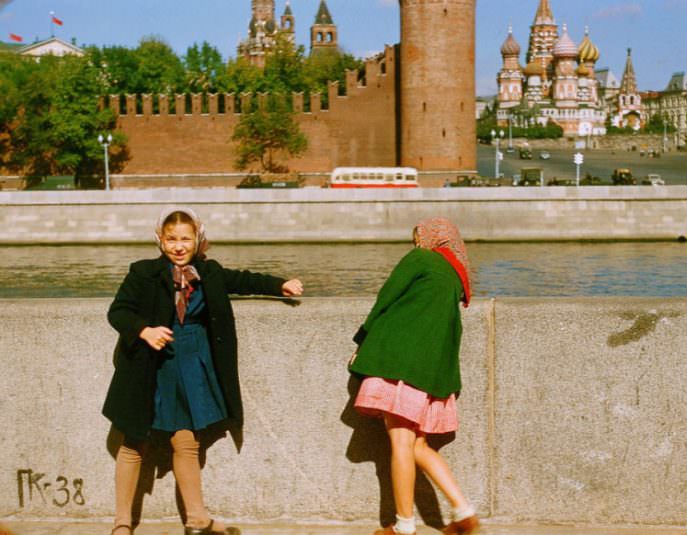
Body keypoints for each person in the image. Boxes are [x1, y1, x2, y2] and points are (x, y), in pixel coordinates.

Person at [103, 208, 303, 535]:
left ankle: (197, 520)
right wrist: (145, 330)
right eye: (171, 239)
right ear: (160, 240)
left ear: (198, 239)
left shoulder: (209, 273)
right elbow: (118, 312)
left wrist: (282, 284)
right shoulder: (143, 273)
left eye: (186, 238)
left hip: (191, 362)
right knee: (134, 442)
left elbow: (243, 280)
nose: (179, 246)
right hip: (149, 365)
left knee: (186, 441)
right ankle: (122, 523)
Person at [349, 217, 480, 535]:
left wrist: (362, 339)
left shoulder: (420, 259)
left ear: (428, 238)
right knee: (420, 446)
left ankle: (404, 526)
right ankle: (464, 513)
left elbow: (386, 298)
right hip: (432, 371)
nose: (416, 244)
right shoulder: (453, 275)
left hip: (400, 364)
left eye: (418, 238)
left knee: (401, 444)